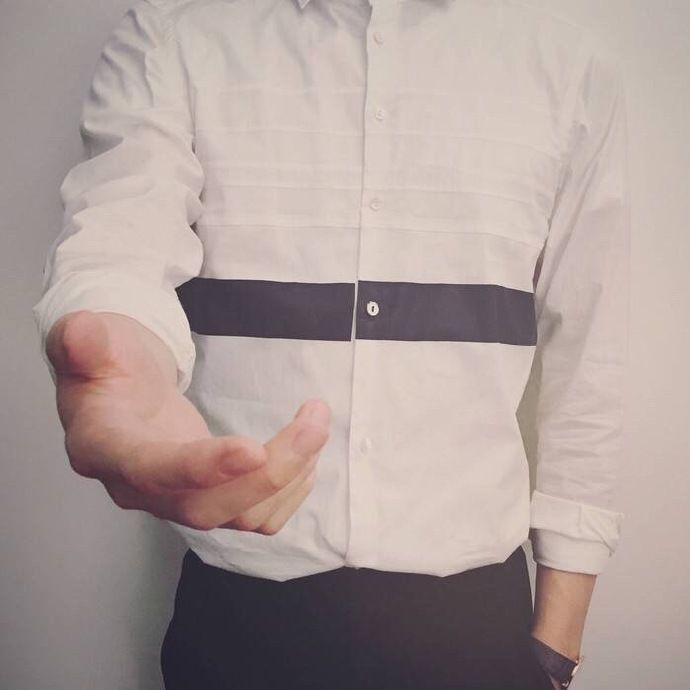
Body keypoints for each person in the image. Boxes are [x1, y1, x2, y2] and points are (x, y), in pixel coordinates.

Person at [32, 0, 630, 688]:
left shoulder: (567, 67)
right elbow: (120, 242)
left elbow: (590, 352)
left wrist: (557, 646)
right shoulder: (172, 37)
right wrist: (115, 360)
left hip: (475, 625)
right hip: (237, 625)